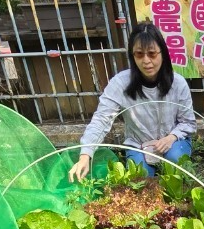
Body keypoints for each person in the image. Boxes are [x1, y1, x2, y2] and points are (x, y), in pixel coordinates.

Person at [68, 22, 196, 180]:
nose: (146, 61)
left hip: (172, 142)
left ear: (163, 53)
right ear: (132, 56)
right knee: (140, 178)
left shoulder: (178, 83)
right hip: (139, 145)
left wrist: (170, 138)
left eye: (152, 53)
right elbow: (102, 119)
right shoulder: (120, 83)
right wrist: (85, 154)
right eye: (139, 54)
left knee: (176, 160)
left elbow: (188, 123)